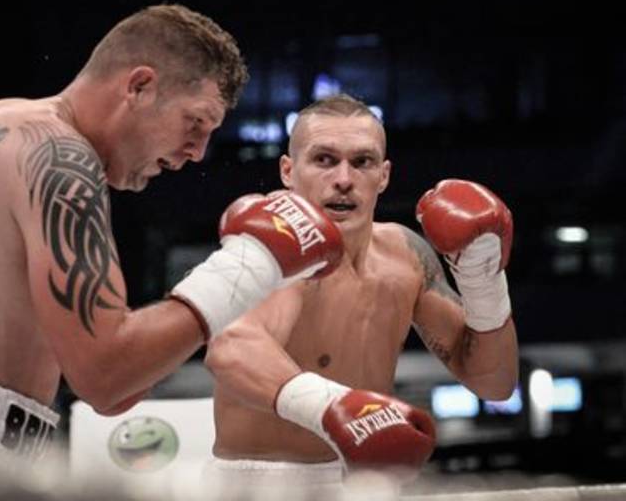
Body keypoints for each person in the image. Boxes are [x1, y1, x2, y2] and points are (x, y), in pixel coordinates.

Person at [0, 4, 345, 466]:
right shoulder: (63, 160)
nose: (197, 153)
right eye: (195, 123)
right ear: (139, 86)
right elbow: (106, 377)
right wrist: (249, 267)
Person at [204, 94, 519, 490]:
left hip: (366, 483)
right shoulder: (274, 247)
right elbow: (231, 348)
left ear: (383, 175)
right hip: (264, 485)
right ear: (288, 170)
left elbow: (494, 383)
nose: (343, 179)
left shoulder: (406, 255)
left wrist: (483, 280)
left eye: (362, 161)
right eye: (324, 159)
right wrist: (334, 407)